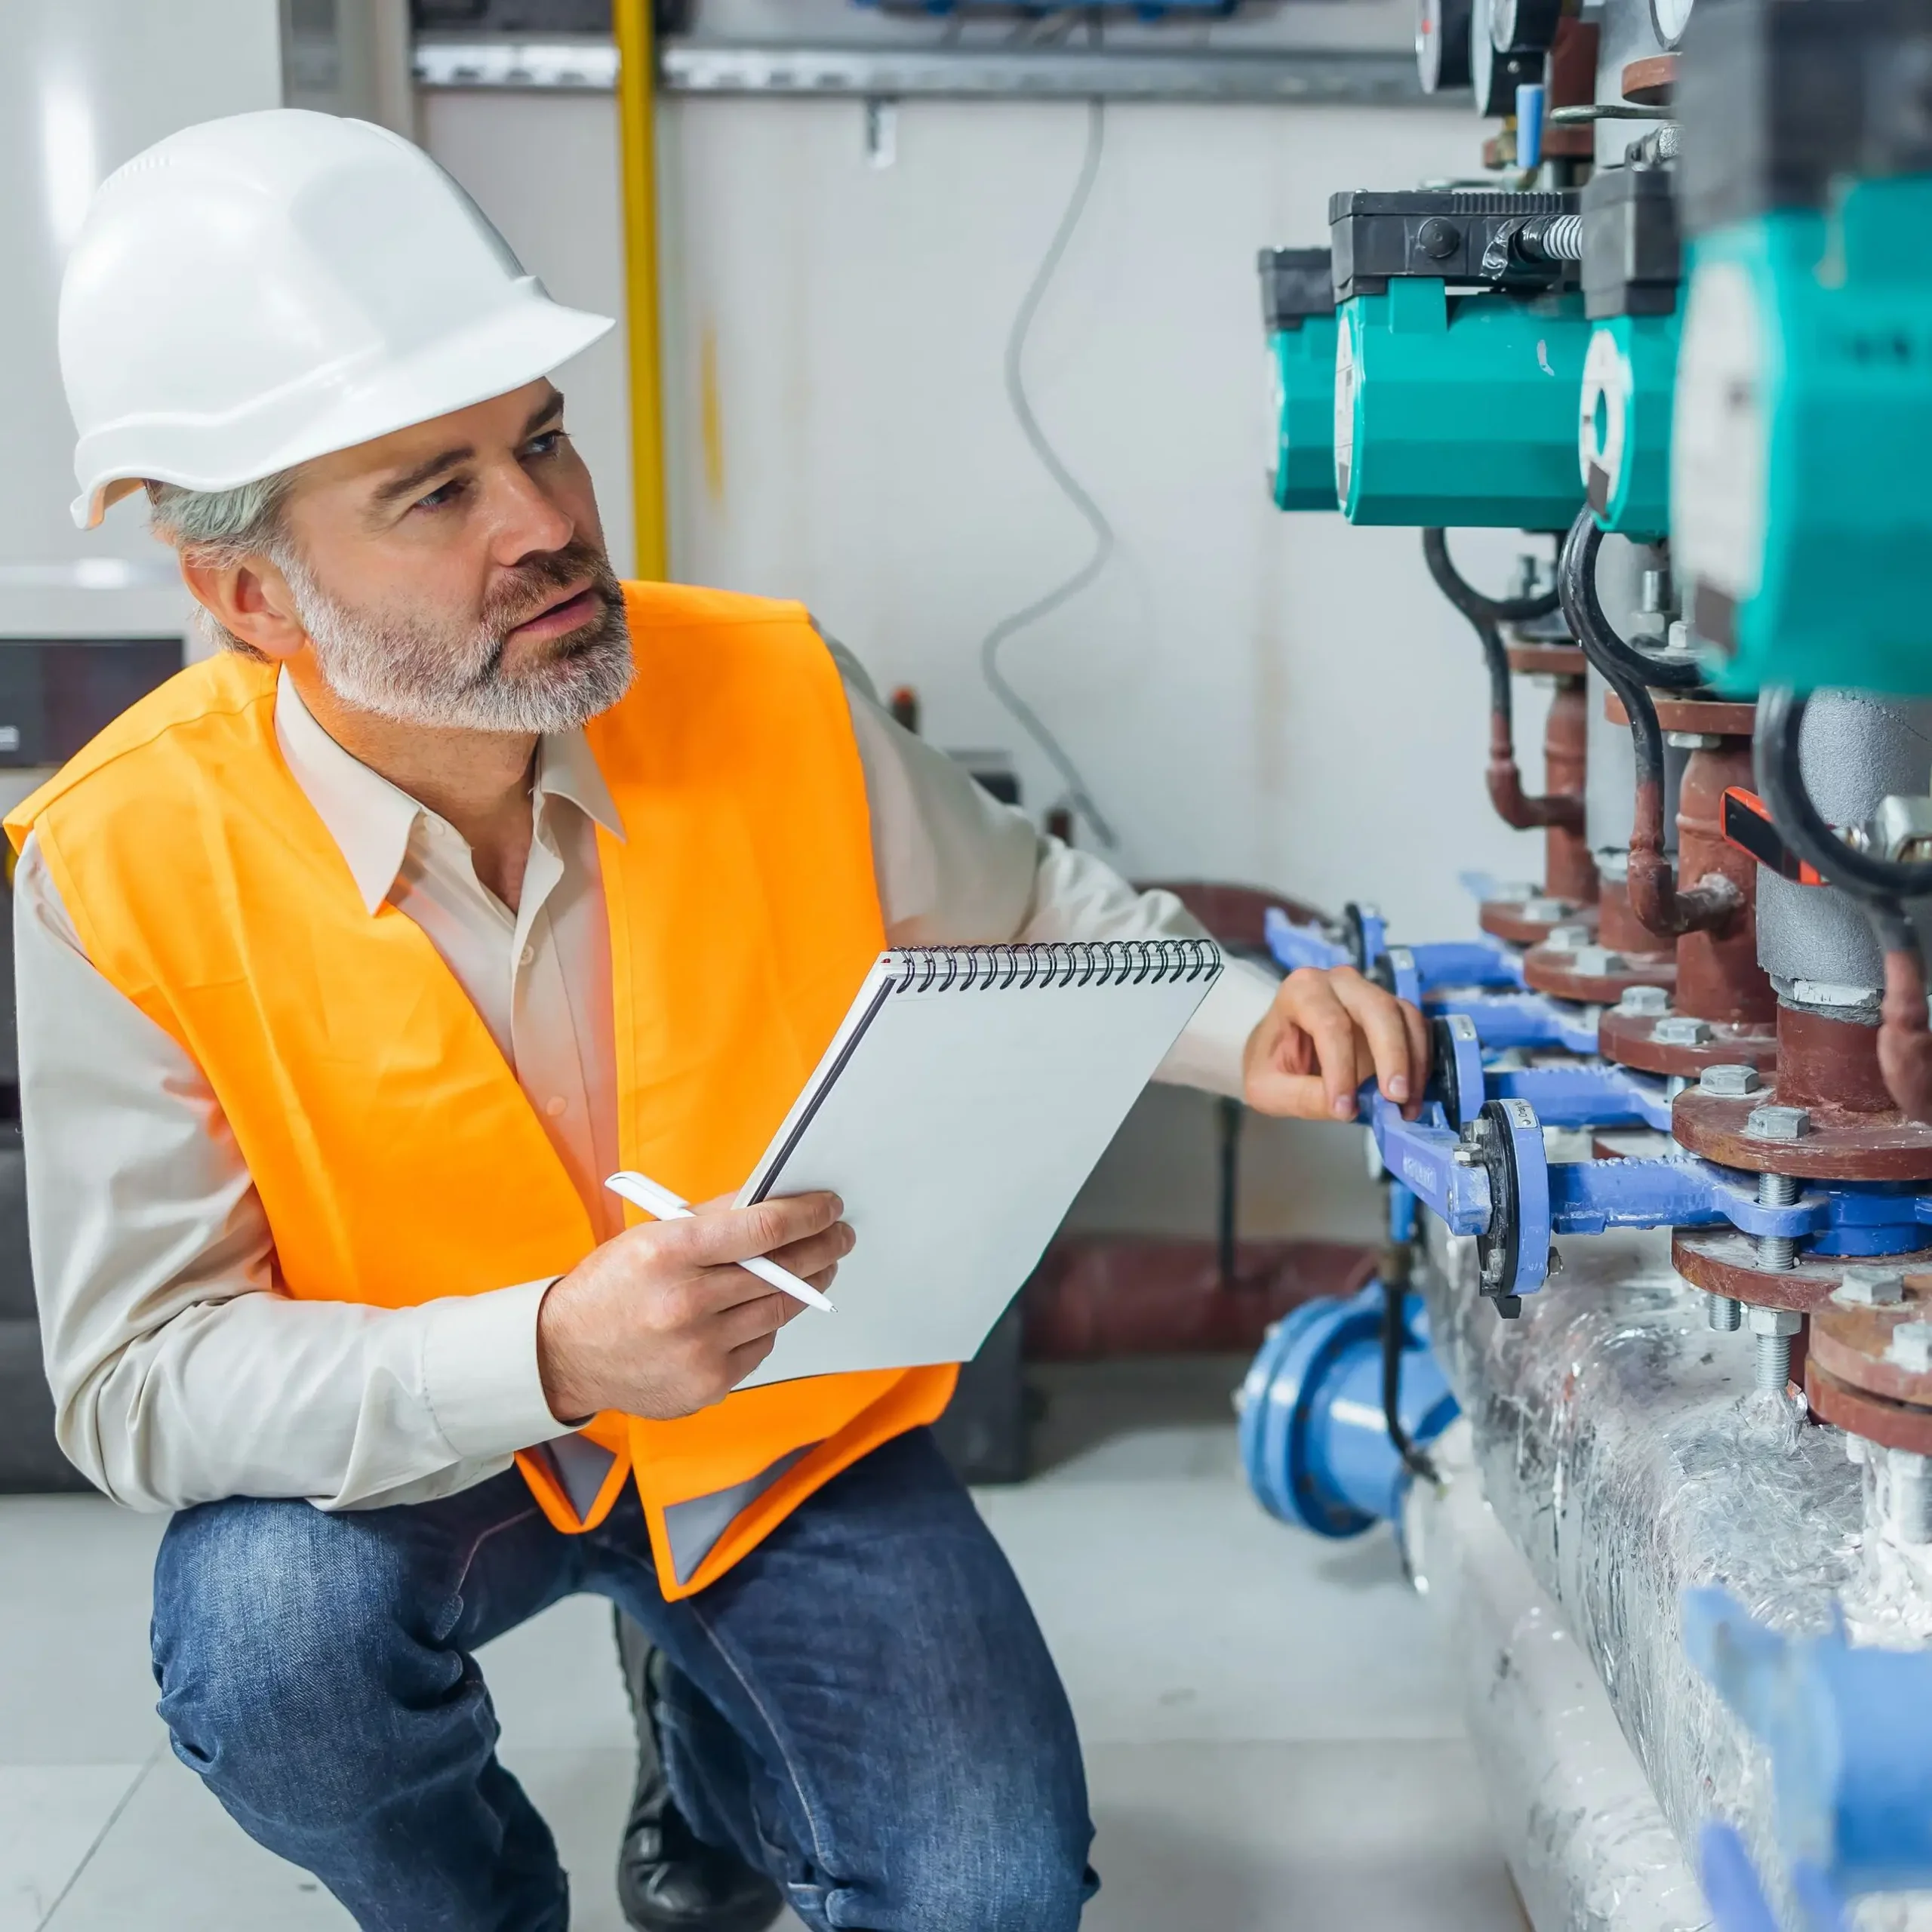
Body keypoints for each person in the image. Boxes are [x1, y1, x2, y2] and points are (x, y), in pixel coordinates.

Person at [15, 110, 1427, 1932]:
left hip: (772, 1425)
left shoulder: (763, 687)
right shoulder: (118, 859)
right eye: (434, 492)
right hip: (437, 1449)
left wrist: (1256, 1033)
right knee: (268, 1633)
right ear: (246, 596)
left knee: (984, 1894)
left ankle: (710, 1725)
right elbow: (136, 1381)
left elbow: (1031, 912)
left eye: (539, 439)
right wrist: (547, 1355)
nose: (544, 525)